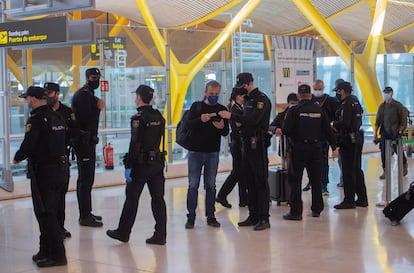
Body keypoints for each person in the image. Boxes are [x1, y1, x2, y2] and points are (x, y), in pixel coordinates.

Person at [13, 86, 68, 267]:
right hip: (61, 169)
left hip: (45, 172)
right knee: (52, 211)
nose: (27, 102)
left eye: (27, 98)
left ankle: (57, 255)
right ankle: (45, 250)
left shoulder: (36, 119)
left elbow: (29, 144)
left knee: (45, 213)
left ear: (34, 99)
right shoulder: (57, 116)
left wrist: (17, 157)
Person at [107, 85, 167, 245]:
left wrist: (129, 165)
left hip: (141, 165)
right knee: (158, 199)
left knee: (132, 199)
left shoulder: (139, 118)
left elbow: (135, 143)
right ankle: (161, 234)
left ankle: (123, 232)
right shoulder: (159, 116)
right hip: (157, 163)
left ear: (139, 97)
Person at [219, 72, 272, 230]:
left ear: (250, 83)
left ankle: (264, 217)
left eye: (243, 86)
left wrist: (233, 116)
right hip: (245, 144)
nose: (242, 90)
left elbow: (254, 120)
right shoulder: (247, 100)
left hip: (258, 144)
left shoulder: (261, 99)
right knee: (249, 181)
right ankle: (253, 214)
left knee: (260, 181)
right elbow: (245, 120)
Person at [281, 84, 336, 220]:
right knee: (316, 180)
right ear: (311, 95)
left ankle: (296, 212)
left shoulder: (294, 111)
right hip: (316, 149)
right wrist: (335, 146)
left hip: (298, 149)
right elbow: (328, 130)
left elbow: (286, 130)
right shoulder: (319, 110)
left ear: (299, 96)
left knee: (295, 181)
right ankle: (317, 209)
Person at [184, 80, 229, 229]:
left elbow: (225, 132)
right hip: (195, 152)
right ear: (205, 92)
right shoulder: (196, 107)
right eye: (211, 94)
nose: (213, 96)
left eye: (216, 94)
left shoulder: (222, 109)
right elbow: (188, 124)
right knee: (193, 185)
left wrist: (221, 126)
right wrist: (201, 120)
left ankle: (211, 215)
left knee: (210, 185)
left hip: (212, 153)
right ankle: (191, 216)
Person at [71, 68, 105, 227]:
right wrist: (98, 108)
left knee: (88, 178)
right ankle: (84, 215)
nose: (96, 79)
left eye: (98, 77)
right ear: (86, 78)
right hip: (83, 143)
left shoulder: (88, 94)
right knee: (85, 179)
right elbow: (85, 120)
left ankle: (87, 212)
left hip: (88, 142)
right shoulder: (84, 95)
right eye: (93, 77)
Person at [44, 82, 77, 239]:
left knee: (61, 196)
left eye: (49, 93)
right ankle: (51, 229)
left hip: (62, 158)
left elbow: (74, 131)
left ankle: (60, 227)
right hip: (46, 160)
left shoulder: (66, 112)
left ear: (57, 94)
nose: (47, 96)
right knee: (49, 198)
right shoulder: (42, 112)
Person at [332, 81, 368, 209]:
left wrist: (333, 125)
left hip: (349, 140)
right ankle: (362, 198)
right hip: (357, 138)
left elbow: (345, 123)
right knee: (356, 169)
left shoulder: (346, 104)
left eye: (338, 91)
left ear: (342, 91)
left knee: (348, 170)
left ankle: (349, 200)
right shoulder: (356, 101)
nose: (337, 94)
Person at [302, 80, 339, 195]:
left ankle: (324, 184)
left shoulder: (330, 101)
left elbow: (336, 115)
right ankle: (311, 181)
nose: (318, 91)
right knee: (308, 162)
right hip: (310, 135)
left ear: (323, 88)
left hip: (323, 136)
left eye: (320, 89)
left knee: (323, 161)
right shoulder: (310, 100)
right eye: (316, 89)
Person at [373, 86, 409, 206]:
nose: (386, 94)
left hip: (395, 133)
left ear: (392, 93)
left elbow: (403, 120)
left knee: (398, 151)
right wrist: (375, 134)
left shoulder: (398, 105)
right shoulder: (382, 106)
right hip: (385, 133)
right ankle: (385, 170)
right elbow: (377, 121)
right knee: (383, 152)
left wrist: (400, 131)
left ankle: (403, 164)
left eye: (388, 92)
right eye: (385, 92)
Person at [216, 87, 248, 208]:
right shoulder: (235, 109)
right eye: (242, 95)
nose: (244, 98)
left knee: (241, 172)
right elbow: (239, 123)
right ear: (237, 97)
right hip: (237, 143)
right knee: (237, 172)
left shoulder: (239, 108)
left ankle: (243, 199)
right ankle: (222, 195)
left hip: (238, 142)